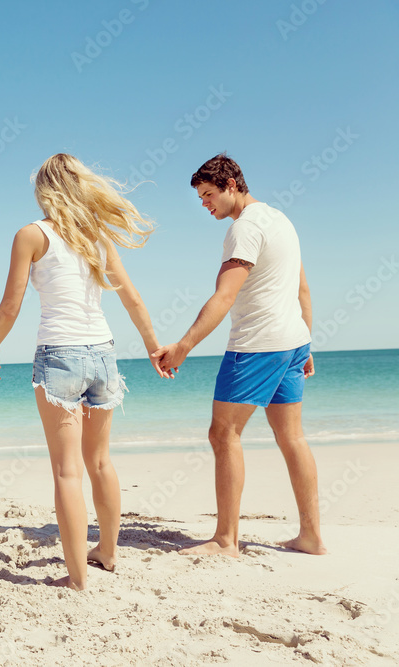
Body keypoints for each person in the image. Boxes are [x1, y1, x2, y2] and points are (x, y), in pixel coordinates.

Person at [0, 153, 170, 591]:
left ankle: (78, 578)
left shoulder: (31, 235)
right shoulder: (98, 237)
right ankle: (107, 551)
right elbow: (132, 297)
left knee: (67, 470)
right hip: (104, 354)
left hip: (60, 355)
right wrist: (153, 347)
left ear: (44, 190)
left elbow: (11, 304)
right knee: (100, 461)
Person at [152, 153, 327, 557]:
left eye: (209, 194)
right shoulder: (281, 220)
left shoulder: (243, 229)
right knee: (292, 437)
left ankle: (226, 540)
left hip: (258, 345)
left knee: (223, 433)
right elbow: (303, 289)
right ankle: (312, 536)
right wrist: (306, 341)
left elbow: (225, 295)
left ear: (232, 185)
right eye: (200, 197)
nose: (205, 204)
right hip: (292, 341)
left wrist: (183, 346)